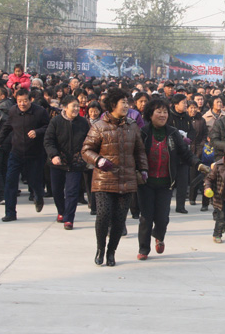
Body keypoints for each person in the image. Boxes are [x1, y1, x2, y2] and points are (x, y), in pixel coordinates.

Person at [82, 88, 148, 267]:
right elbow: (86, 150)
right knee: (103, 215)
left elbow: (139, 151)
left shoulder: (132, 126)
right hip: (104, 179)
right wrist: (99, 160)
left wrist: (143, 169)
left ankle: (111, 252)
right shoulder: (99, 126)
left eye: (127, 103)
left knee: (119, 219)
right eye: (123, 103)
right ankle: (100, 249)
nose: (126, 106)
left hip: (126, 179)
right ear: (113, 105)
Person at [138, 99, 208, 258]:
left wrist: (198, 164)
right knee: (146, 218)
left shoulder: (172, 133)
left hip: (166, 183)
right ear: (150, 114)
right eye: (159, 111)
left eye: (165, 112)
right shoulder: (143, 132)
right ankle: (143, 249)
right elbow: (135, 154)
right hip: (146, 183)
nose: (162, 115)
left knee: (163, 217)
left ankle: (159, 235)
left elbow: (185, 153)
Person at [0, 88, 50, 221]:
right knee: (10, 182)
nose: (22, 104)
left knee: (34, 181)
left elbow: (48, 127)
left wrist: (37, 131)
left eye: (25, 101)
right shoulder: (13, 111)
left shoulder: (40, 112)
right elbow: (7, 127)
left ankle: (38, 196)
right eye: (19, 101)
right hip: (16, 152)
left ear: (30, 100)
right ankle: (10, 212)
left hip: (34, 154)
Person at [43, 95, 90, 230]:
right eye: (73, 106)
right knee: (57, 190)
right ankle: (61, 211)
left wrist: (85, 156)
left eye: (77, 106)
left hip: (76, 162)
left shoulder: (83, 122)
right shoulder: (56, 121)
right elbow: (48, 140)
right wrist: (54, 155)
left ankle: (69, 218)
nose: (76, 109)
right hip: (58, 162)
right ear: (64, 107)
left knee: (72, 191)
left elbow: (89, 141)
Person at [167, 93, 194, 214]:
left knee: (183, 182)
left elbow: (192, 131)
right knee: (169, 182)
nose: (186, 105)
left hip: (184, 154)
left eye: (186, 103)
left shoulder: (187, 117)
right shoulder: (169, 116)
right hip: (171, 153)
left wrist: (189, 138)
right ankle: (165, 205)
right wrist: (180, 138)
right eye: (184, 103)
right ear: (176, 104)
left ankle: (181, 206)